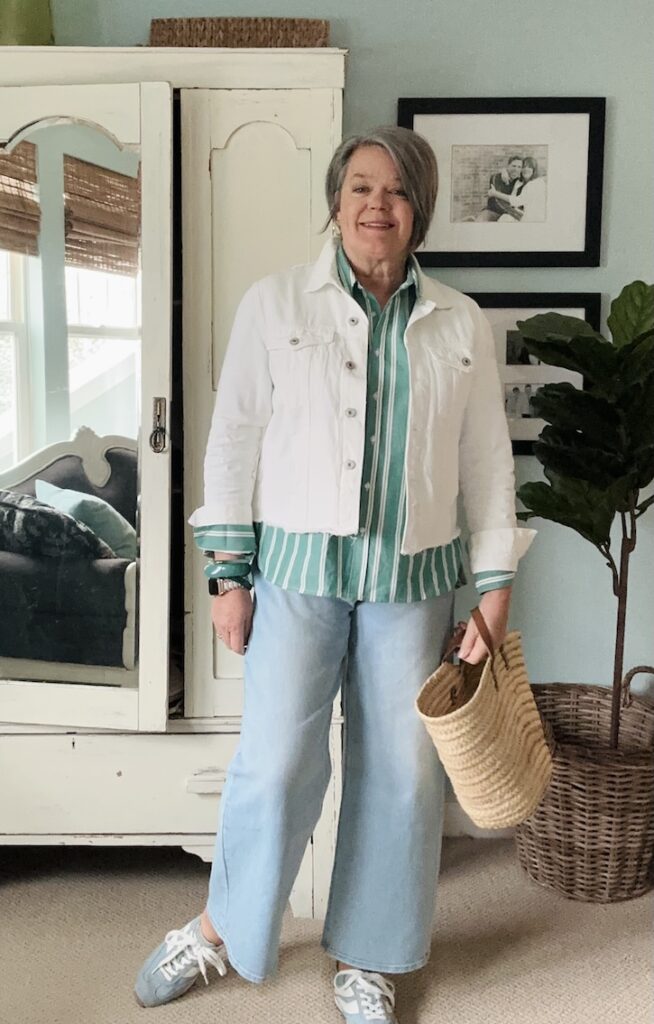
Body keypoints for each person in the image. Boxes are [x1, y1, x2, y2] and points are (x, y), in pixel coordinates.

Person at [134, 125, 535, 1022]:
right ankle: (222, 928)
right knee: (275, 764)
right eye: (359, 187)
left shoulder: (460, 320)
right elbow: (232, 439)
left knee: (401, 773)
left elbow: (486, 464)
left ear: (418, 210)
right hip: (297, 573)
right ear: (335, 200)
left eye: (393, 192)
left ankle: (372, 958)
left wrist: (496, 585)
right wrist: (226, 574)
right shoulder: (276, 305)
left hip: (414, 577)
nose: (375, 206)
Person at [474, 154, 523, 221]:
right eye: (513, 166)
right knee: (480, 221)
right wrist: (513, 213)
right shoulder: (496, 177)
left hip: (508, 214)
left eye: (519, 167)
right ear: (508, 166)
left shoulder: (519, 182)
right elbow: (495, 202)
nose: (516, 169)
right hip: (493, 212)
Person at [498, 157, 547, 223]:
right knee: (504, 218)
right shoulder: (519, 182)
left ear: (534, 170)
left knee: (505, 219)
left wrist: (495, 193)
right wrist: (504, 171)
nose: (526, 169)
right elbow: (513, 201)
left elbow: (517, 201)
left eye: (529, 167)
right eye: (524, 167)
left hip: (533, 218)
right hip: (521, 214)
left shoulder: (536, 183)